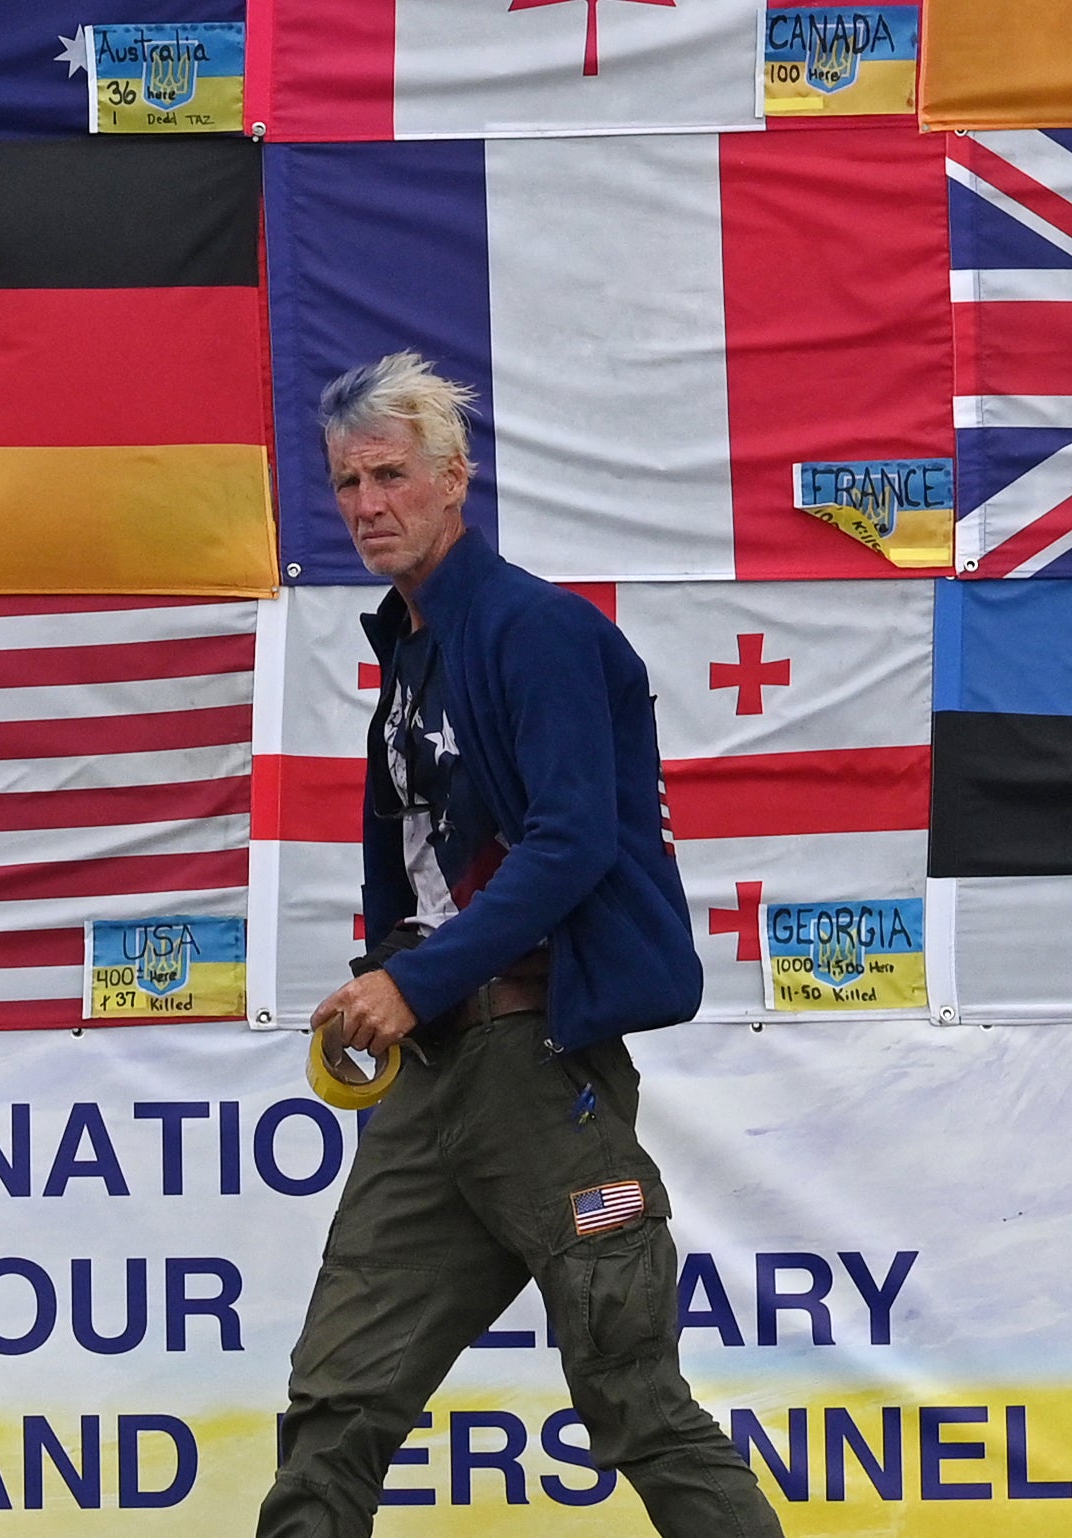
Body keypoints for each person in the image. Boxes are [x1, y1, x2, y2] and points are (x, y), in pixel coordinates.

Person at [256, 352, 786, 1538]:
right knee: (334, 1405)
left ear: (455, 480)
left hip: (540, 1069)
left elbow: (571, 842)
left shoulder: (536, 628)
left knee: (634, 1397)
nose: (364, 505)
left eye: (389, 474)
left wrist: (415, 976)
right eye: (345, 483)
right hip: (433, 1077)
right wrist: (382, 977)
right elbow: (425, 866)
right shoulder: (410, 645)